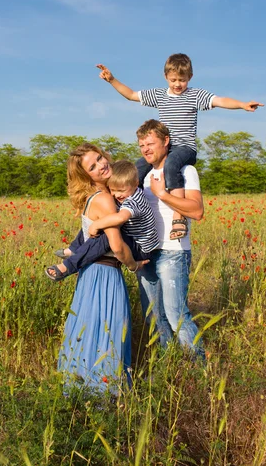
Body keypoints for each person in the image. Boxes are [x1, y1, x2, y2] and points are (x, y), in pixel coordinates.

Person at [97, 54, 264, 241]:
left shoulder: (194, 95)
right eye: (173, 80)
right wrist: (112, 80)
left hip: (184, 149)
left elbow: (220, 100)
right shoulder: (159, 95)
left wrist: (242, 105)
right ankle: (126, 208)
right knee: (136, 169)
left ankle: (179, 214)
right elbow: (131, 95)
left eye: (182, 80)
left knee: (171, 165)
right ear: (166, 77)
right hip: (163, 148)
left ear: (189, 78)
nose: (177, 84)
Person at [56, 143, 142, 392]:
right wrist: (134, 265)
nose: (101, 165)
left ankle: (82, 392)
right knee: (108, 333)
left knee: (90, 331)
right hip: (105, 274)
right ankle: (103, 394)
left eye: (99, 158)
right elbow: (116, 246)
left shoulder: (98, 196)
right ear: (87, 176)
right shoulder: (105, 199)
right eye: (92, 167)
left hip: (91, 275)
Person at [134, 119, 205, 358]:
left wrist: (162, 194)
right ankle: (167, 365)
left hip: (173, 251)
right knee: (154, 316)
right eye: (142, 144)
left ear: (166, 142)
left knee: (176, 315)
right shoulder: (140, 175)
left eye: (150, 143)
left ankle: (199, 369)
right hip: (145, 253)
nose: (146, 149)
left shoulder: (186, 170)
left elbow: (196, 211)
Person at [45, 159, 158, 281]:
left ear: (136, 184)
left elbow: (121, 217)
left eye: (121, 190)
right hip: (133, 237)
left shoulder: (134, 201)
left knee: (105, 233)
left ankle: (68, 266)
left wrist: (97, 224)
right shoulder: (128, 193)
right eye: (112, 190)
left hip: (141, 248)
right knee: (103, 223)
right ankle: (73, 248)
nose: (116, 195)